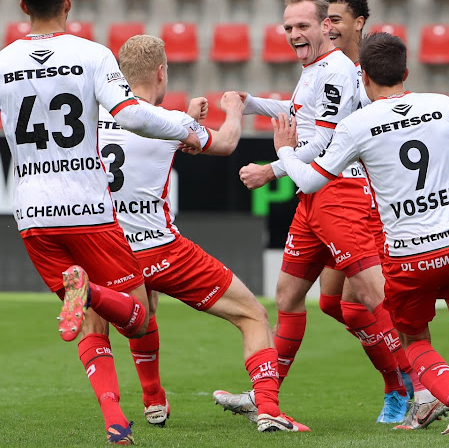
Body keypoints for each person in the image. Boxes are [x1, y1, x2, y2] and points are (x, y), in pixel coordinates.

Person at [0, 0, 201, 446]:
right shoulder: (91, 54)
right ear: (68, 2)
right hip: (89, 208)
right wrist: (193, 130)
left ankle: (114, 419)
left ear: (23, 6)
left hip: (33, 214)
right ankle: (89, 291)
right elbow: (132, 115)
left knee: (84, 317)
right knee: (138, 316)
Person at [271, 31, 449, 436]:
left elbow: (310, 180)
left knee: (414, 338)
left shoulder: (357, 124)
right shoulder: (444, 105)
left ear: (365, 80)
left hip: (410, 254)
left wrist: (284, 150)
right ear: (406, 71)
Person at [214, 0, 409, 423]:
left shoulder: (337, 69)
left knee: (371, 299)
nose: (294, 34)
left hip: (341, 192)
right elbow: (300, 114)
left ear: (325, 27)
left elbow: (325, 140)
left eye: (302, 26)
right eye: (287, 28)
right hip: (313, 195)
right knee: (289, 297)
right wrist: (251, 104)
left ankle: (411, 386)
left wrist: (272, 168)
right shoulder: (316, 69)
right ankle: (266, 394)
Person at [97, 34, 308, 433]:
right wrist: (231, 109)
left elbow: (140, 125)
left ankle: (153, 398)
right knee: (252, 315)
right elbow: (227, 143)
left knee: (144, 312)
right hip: (163, 249)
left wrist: (186, 120)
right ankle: (268, 409)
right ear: (161, 73)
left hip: (112, 252)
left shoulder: (93, 117)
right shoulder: (170, 124)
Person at [323, 0, 447, 430]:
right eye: (325, 19)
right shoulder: (331, 71)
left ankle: (413, 387)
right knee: (332, 302)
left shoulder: (376, 69)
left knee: (369, 302)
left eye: (335, 18)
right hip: (338, 195)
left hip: (375, 204)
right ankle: (403, 380)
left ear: (358, 23)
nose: (328, 26)